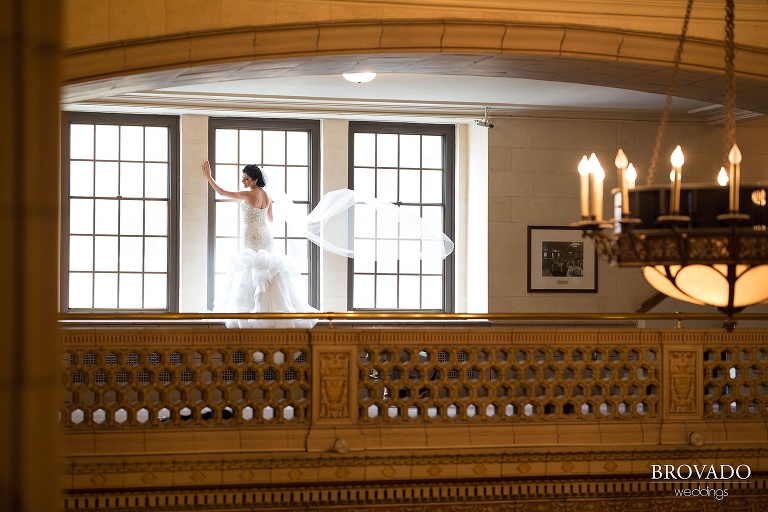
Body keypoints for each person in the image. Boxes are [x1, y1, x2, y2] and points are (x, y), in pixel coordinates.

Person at [203, 161, 318, 328]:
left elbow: (221, 191)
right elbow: (270, 219)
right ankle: (272, 309)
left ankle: (255, 312)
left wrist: (209, 176)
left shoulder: (249, 195)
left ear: (255, 180)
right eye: (242, 179)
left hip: (252, 236)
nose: (243, 182)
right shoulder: (267, 195)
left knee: (252, 272)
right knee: (266, 272)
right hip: (266, 236)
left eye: (246, 179)